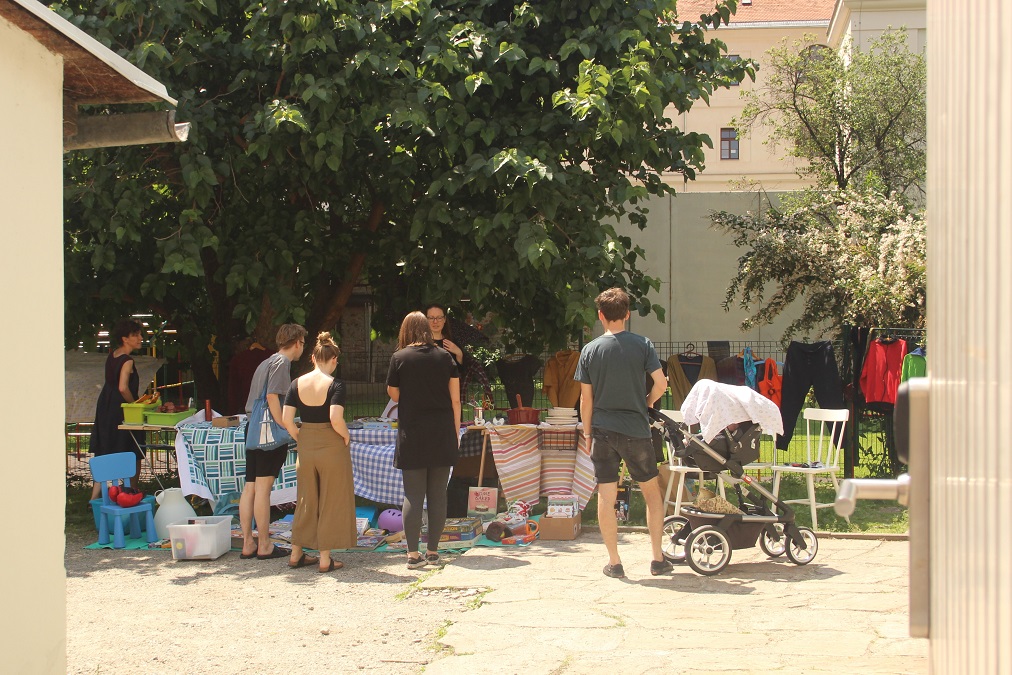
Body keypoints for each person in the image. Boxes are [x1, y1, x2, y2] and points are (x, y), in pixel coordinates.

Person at [574, 288, 671, 578]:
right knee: (652, 495)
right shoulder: (643, 344)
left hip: (602, 432)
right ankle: (657, 558)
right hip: (636, 431)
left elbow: (585, 400)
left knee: (606, 495)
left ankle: (614, 563)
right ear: (627, 314)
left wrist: (588, 433)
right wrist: (648, 401)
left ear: (600, 315)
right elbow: (661, 383)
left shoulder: (590, 350)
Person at [386, 311, 461, 569]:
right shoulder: (446, 357)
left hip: (413, 434)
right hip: (442, 433)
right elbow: (455, 400)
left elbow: (394, 395)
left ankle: (412, 554)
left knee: (413, 496)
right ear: (428, 330)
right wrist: (456, 432)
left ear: (406, 331)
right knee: (438, 494)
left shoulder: (399, 358)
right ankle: (433, 551)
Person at [281, 332, 356, 572]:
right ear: (333, 360)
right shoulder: (336, 384)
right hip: (331, 444)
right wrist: (345, 435)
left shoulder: (297, 383)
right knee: (330, 500)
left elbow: (287, 419)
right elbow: (336, 418)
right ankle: (325, 559)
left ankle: (296, 553)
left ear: (313, 357)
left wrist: (300, 437)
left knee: (305, 499)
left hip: (306, 443)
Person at [239, 323, 307, 560]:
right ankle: (265, 544)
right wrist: (284, 425)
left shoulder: (265, 362)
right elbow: (272, 397)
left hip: (252, 428)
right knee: (263, 489)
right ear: (297, 341)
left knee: (250, 487)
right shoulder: (282, 363)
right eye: (303, 343)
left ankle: (248, 542)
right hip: (267, 430)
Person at [89, 319, 146, 501]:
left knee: (106, 448)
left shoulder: (113, 355)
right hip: (120, 409)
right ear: (124, 338)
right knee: (133, 449)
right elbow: (123, 388)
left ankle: (94, 497)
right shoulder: (127, 361)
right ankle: (132, 491)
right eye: (135, 335)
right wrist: (136, 404)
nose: (140, 338)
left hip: (106, 405)